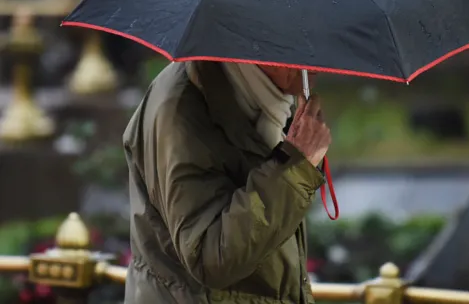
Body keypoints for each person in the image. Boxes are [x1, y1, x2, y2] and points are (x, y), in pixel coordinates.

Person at [123, 60, 331, 304]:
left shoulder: (267, 102)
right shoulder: (183, 107)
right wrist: (295, 167)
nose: (317, 62)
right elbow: (210, 257)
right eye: (298, 45)